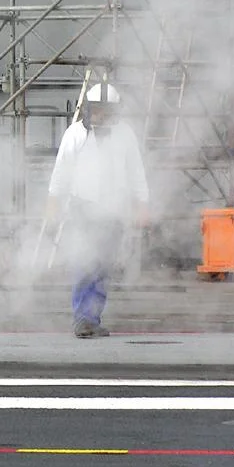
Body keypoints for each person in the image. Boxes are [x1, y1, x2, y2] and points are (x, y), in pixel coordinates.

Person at [46, 82, 148, 339]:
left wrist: (141, 205)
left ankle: (92, 317)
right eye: (97, 110)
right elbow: (61, 173)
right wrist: (53, 205)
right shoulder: (75, 134)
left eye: (105, 110)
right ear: (88, 110)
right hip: (82, 208)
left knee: (103, 266)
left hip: (113, 209)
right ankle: (82, 318)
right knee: (84, 261)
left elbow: (136, 171)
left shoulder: (125, 134)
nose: (100, 115)